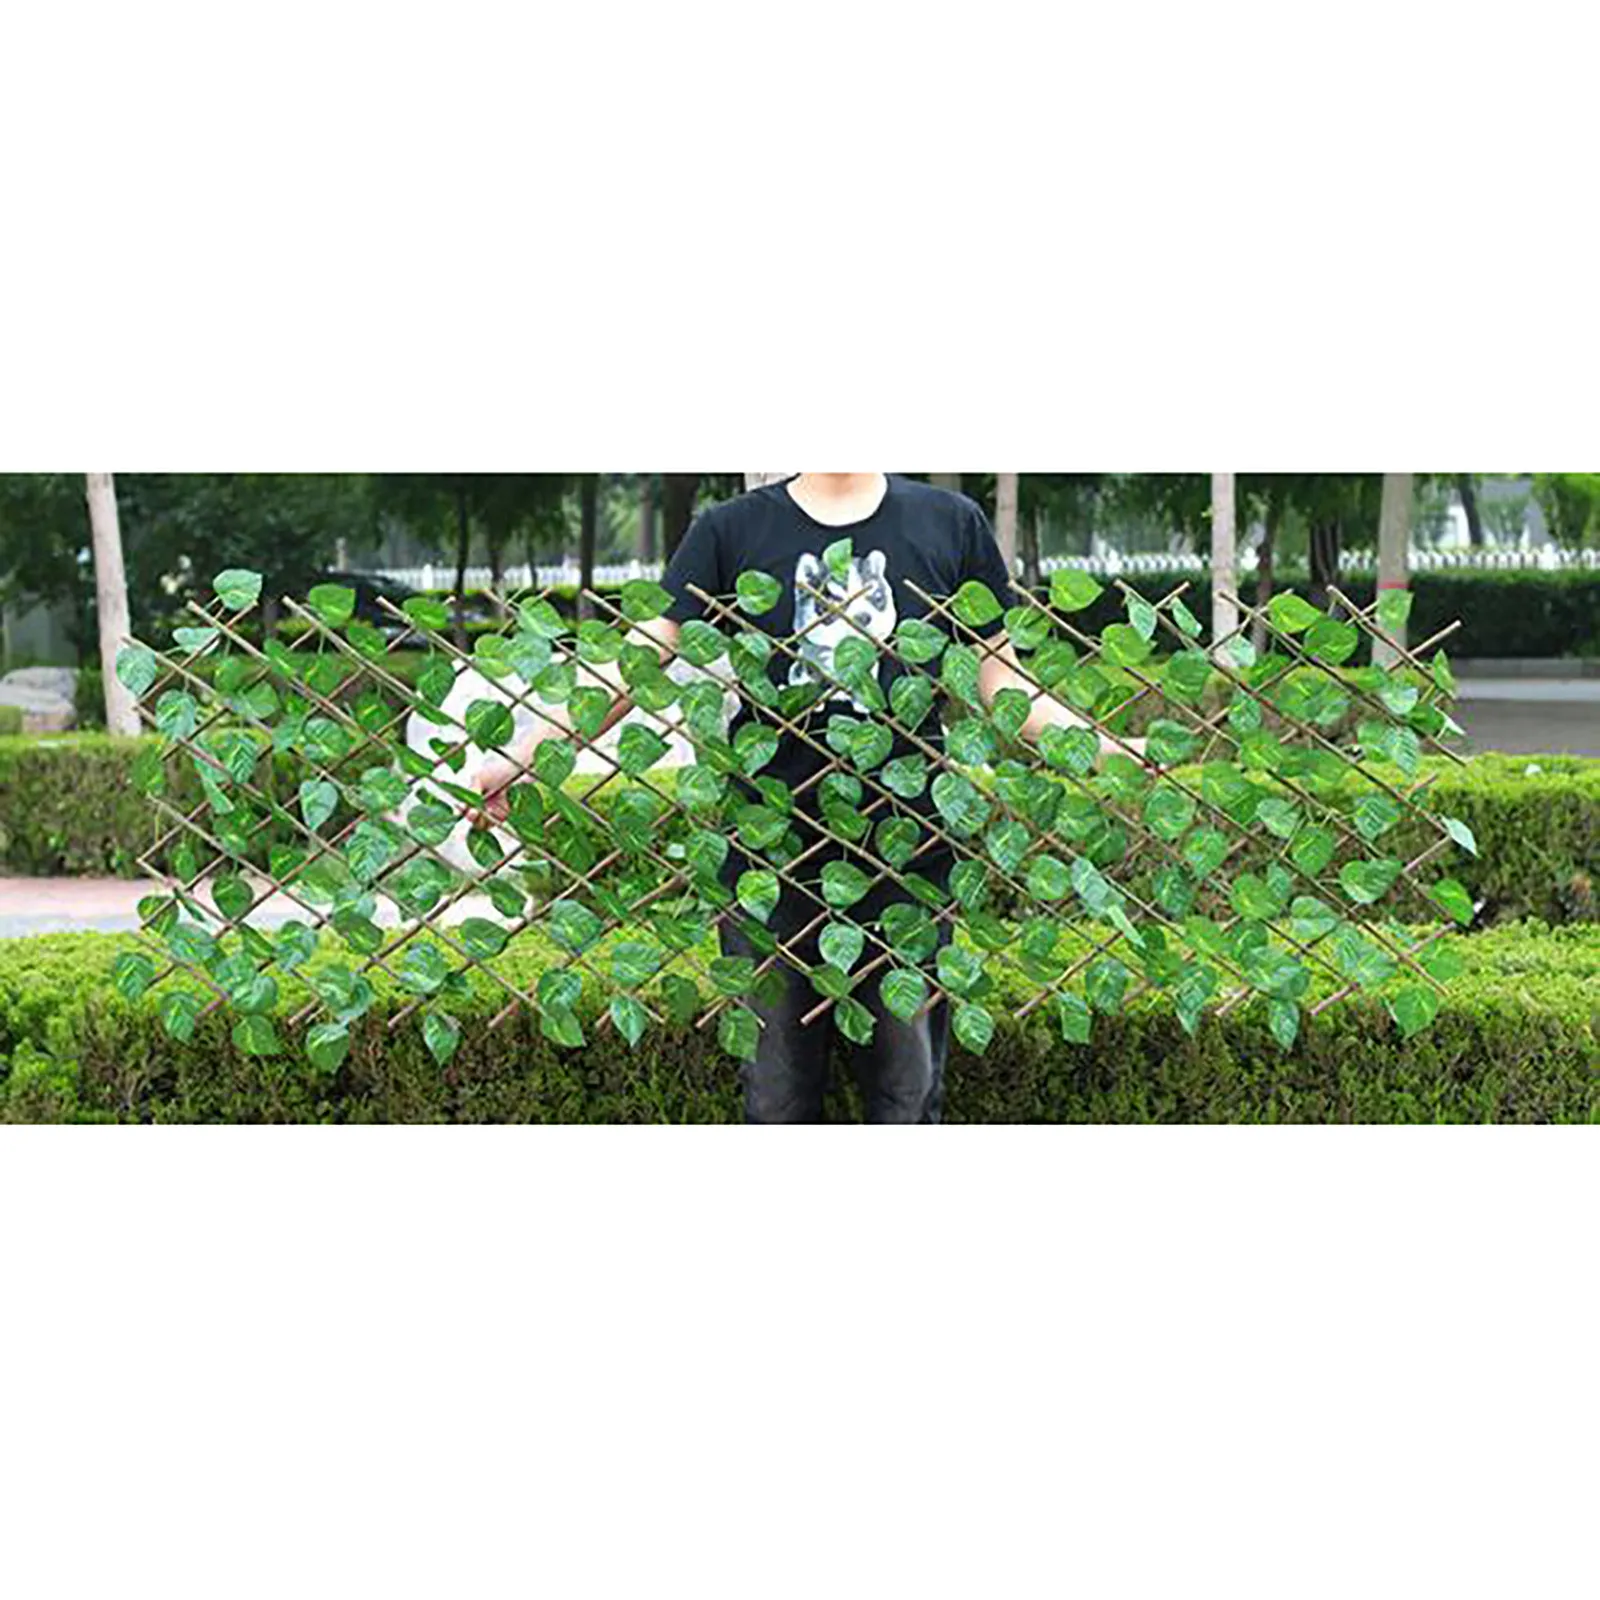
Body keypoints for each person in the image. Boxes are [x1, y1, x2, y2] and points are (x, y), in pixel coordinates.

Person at [474, 473, 1131, 1124]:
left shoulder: (951, 523)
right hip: (769, 867)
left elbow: (1003, 685)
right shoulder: (730, 529)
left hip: (910, 864)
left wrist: (1114, 753)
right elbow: (638, 661)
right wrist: (525, 754)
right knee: (776, 1101)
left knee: (907, 1098)